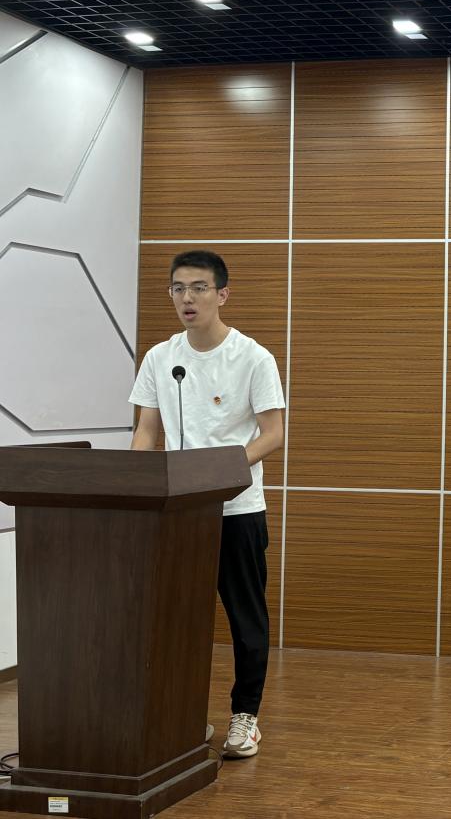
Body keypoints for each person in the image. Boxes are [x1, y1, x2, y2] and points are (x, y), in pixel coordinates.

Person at [129, 250, 285, 759]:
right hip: (178, 512)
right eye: (178, 288)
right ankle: (183, 715)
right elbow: (145, 431)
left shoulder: (253, 357)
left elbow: (273, 433)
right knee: (176, 617)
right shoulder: (160, 358)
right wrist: (135, 487)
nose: (187, 298)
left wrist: (221, 472)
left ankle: (246, 717)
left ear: (222, 294)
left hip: (237, 510)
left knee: (245, 617)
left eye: (198, 288)